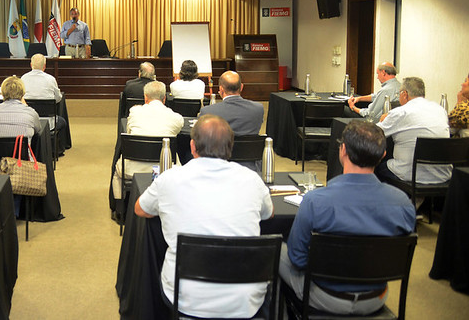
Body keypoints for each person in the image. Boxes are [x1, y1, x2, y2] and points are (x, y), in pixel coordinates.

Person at [135, 115, 273, 318]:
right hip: (245, 301)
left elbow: (140, 209)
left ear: (192, 146)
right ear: (231, 147)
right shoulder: (252, 179)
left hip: (184, 298)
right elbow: (268, 214)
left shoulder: (169, 178)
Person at [280, 120, 416, 315]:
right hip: (376, 297)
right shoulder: (403, 203)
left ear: (342, 150)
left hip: (326, 296)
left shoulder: (315, 201)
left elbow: (297, 259)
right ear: (383, 155)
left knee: (277, 249)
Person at [113, 81, 183, 200]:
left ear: (145, 97)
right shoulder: (177, 118)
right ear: (164, 98)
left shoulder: (134, 112)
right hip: (164, 169)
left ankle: (121, 206)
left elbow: (129, 131)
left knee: (117, 172)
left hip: (132, 169)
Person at [375, 76, 451, 184]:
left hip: (410, 174)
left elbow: (373, 133)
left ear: (404, 94)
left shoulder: (401, 112)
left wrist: (384, 120)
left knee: (376, 166)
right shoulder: (440, 110)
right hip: (442, 175)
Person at [0, 76, 41, 172]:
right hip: (22, 167)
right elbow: (38, 130)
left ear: (2, 92)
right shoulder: (31, 112)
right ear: (23, 93)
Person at [198, 71, 264, 136]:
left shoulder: (207, 112)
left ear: (221, 89)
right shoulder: (258, 109)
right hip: (249, 143)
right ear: (241, 87)